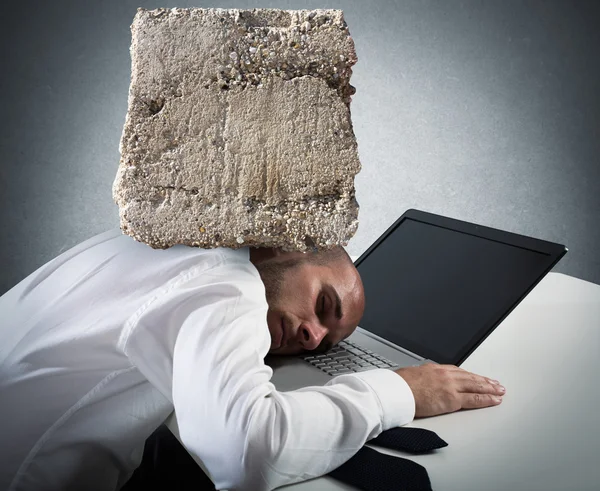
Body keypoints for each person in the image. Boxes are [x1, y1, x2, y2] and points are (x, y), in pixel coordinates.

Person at [0, 229, 505, 491]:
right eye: (324, 306)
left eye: (325, 345)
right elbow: (248, 453)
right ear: (286, 246)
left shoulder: (160, 236)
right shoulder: (224, 280)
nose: (312, 338)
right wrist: (401, 391)